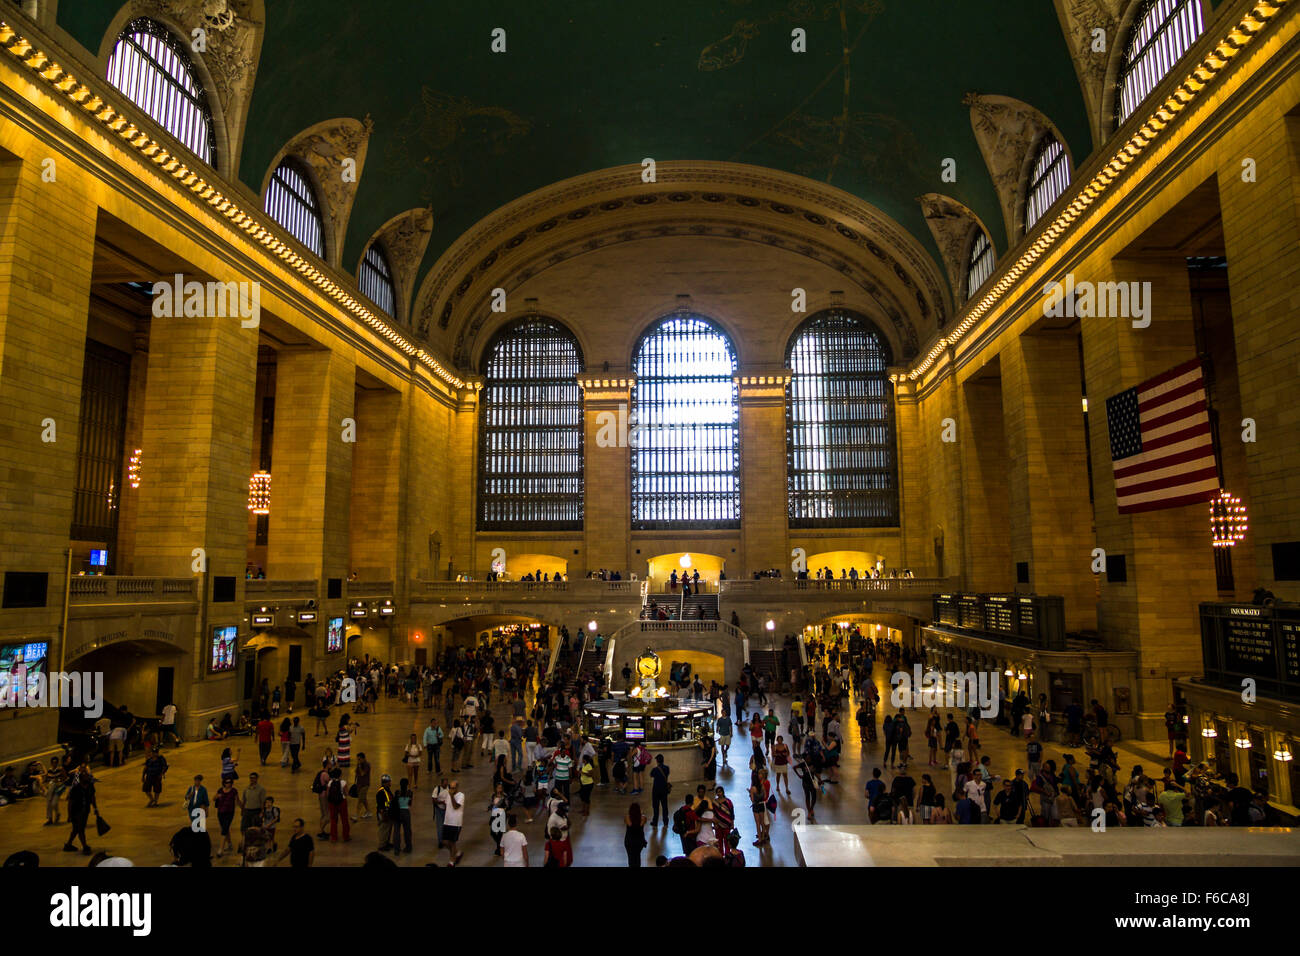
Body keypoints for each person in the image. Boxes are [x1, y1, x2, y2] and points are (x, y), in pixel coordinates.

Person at [439, 780, 466, 866]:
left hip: (456, 822)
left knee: (452, 842)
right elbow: (445, 804)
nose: (451, 790)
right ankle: (457, 853)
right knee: (444, 842)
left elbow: (455, 806)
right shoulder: (447, 794)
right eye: (450, 788)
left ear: (457, 787)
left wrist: (451, 796)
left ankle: (451, 861)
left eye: (453, 788)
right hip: (447, 821)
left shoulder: (461, 795)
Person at [213, 777, 238, 857]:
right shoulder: (220, 790)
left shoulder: (234, 791)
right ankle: (230, 844)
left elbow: (237, 800)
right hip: (220, 812)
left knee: (224, 830)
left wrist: (243, 808)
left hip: (229, 813)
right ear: (224, 783)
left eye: (230, 782)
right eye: (227, 782)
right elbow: (213, 798)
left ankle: (221, 849)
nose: (228, 784)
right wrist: (217, 796)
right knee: (225, 828)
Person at [649, 753, 671, 826]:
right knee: (665, 806)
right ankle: (665, 822)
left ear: (657, 761)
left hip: (656, 790)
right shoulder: (667, 768)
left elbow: (651, 775)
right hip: (664, 789)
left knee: (656, 807)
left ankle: (655, 822)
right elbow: (667, 774)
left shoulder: (655, 769)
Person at [393, 778, 413, 854]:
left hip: (397, 812)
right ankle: (408, 847)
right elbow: (410, 804)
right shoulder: (410, 792)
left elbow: (395, 801)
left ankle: (396, 849)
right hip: (406, 812)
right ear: (407, 784)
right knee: (407, 831)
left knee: (396, 831)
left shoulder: (397, 792)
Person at [624, 802, 648, 866]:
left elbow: (631, 826)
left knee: (630, 857)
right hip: (639, 841)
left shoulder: (627, 818)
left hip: (629, 841)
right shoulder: (643, 818)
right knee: (637, 856)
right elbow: (639, 826)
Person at [374, 774, 395, 850]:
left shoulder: (387, 789)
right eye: (389, 781)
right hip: (383, 814)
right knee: (383, 830)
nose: (390, 783)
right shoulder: (381, 792)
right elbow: (380, 805)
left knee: (388, 829)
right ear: (385, 782)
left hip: (388, 813)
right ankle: (382, 845)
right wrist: (383, 814)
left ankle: (386, 843)